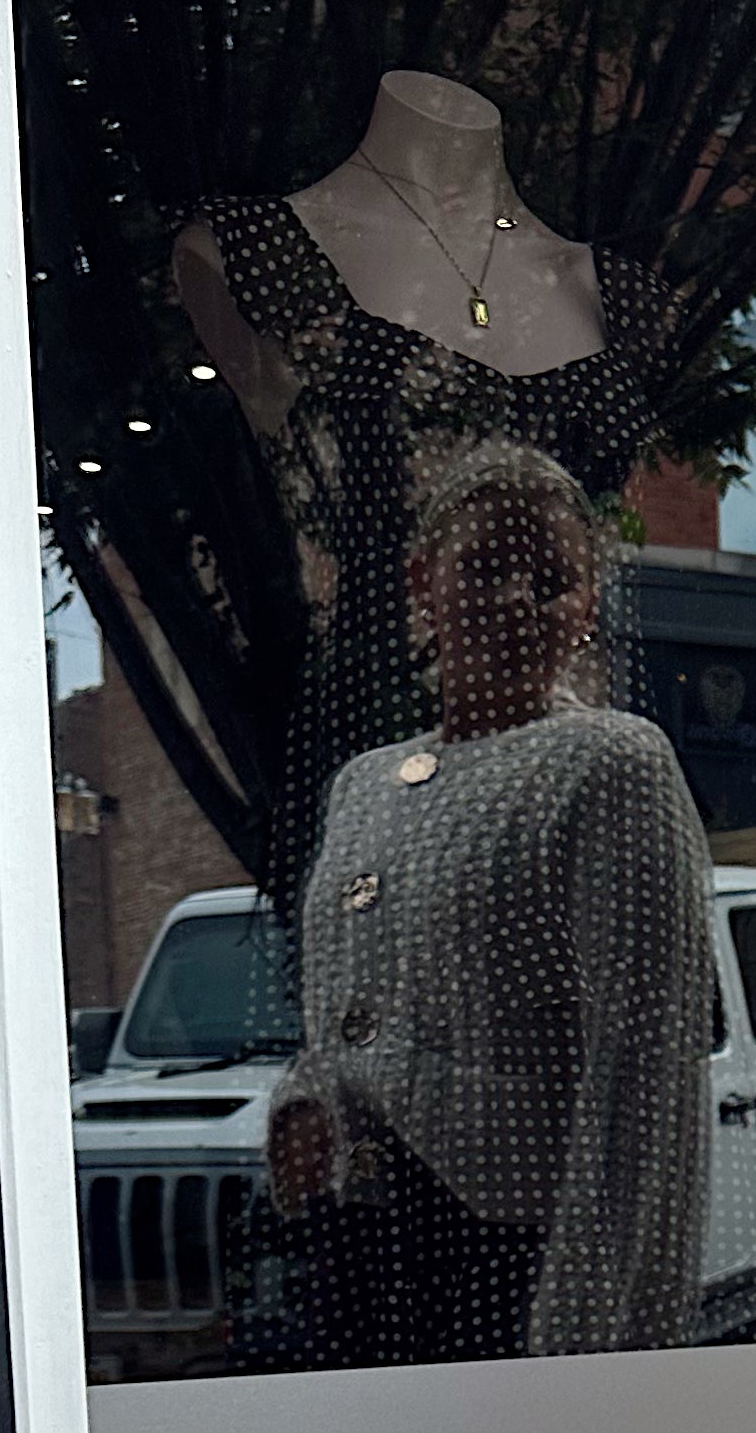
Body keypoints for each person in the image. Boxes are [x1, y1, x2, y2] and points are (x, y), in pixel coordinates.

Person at [270, 441, 711, 1363]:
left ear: (585, 607)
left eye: (550, 580)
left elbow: (645, 1078)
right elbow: (342, 1010)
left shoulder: (611, 765)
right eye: (484, 568)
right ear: (423, 581)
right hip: (353, 1258)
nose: (516, 600)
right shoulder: (364, 786)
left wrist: (598, 1342)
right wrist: (310, 1099)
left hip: (512, 1269)